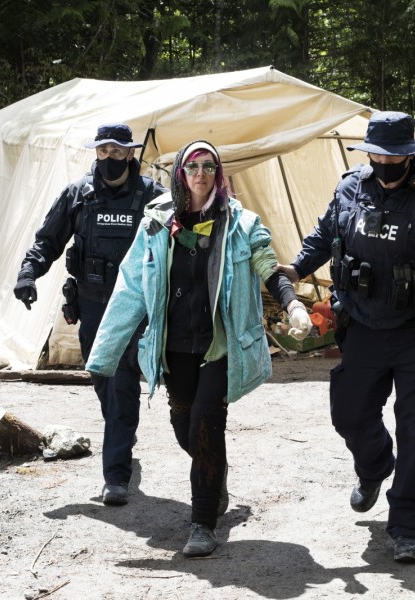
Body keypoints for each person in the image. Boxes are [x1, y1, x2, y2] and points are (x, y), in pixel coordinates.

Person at [277, 111, 415, 563]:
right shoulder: (350, 187)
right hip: (361, 327)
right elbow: (325, 234)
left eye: (394, 155)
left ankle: (408, 528)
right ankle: (376, 466)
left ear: (410, 156)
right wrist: (297, 268)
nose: (384, 162)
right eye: (376, 153)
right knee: (349, 415)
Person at [85, 140, 312, 558]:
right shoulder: (155, 223)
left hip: (218, 348)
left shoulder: (241, 223)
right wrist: (104, 354)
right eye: (193, 166)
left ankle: (203, 523)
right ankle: (216, 472)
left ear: (218, 173)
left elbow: (267, 264)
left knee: (207, 427)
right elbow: (131, 287)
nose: (201, 174)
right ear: (181, 174)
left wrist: (293, 303)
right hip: (174, 348)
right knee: (185, 428)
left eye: (209, 166)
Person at [14, 123, 168, 506]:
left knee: (121, 382)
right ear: (96, 152)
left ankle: (116, 476)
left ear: (130, 153)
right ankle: (123, 431)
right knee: (102, 377)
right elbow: (47, 240)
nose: (110, 158)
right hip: (92, 303)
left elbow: (178, 240)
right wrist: (28, 272)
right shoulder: (77, 194)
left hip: (134, 307)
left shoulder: (153, 196)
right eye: (104, 151)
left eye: (118, 151)